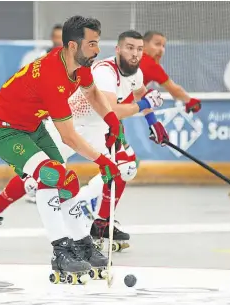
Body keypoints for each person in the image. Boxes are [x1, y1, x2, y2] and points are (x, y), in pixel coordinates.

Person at [0, 15, 124, 284]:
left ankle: (82, 243)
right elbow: (69, 137)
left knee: (69, 181)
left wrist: (111, 119)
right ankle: (60, 250)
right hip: (1, 129)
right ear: (73, 46)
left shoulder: (79, 64)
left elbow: (92, 93)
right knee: (52, 175)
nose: (97, 50)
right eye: (92, 44)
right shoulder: (52, 77)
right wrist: (103, 161)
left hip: (32, 125)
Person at [65, 30, 166, 252]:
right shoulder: (104, 72)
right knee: (35, 177)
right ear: (118, 49)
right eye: (130, 48)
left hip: (97, 126)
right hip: (71, 123)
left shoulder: (135, 73)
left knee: (126, 167)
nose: (135, 53)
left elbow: (141, 94)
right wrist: (142, 107)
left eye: (139, 49)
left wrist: (153, 122)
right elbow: (110, 110)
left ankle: (101, 223)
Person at [141, 31, 202, 114]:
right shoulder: (152, 66)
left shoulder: (129, 55)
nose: (161, 50)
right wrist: (190, 101)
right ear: (144, 44)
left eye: (163, 46)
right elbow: (174, 90)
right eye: (157, 44)